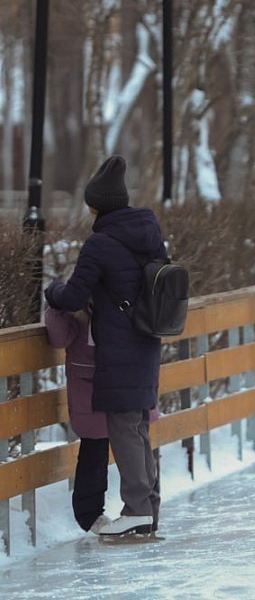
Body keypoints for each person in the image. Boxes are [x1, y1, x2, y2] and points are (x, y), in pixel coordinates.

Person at [44, 156, 164, 538]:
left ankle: (136, 509)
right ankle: (148, 509)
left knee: (123, 426)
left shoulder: (100, 242)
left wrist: (52, 290)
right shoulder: (149, 234)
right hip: (146, 340)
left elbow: (74, 294)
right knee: (139, 425)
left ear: (97, 206)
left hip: (116, 347)